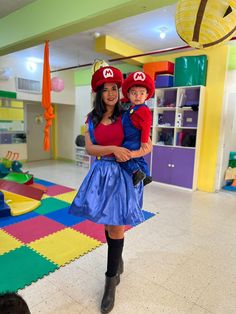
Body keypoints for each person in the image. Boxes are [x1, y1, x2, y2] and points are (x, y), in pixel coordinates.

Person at [69, 66, 152, 314]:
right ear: (99, 93)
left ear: (119, 89)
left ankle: (110, 281)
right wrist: (113, 150)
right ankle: (118, 260)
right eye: (105, 89)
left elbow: (147, 145)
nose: (111, 93)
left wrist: (130, 154)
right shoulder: (91, 118)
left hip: (124, 176)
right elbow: (91, 148)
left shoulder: (130, 113)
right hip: (101, 174)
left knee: (117, 225)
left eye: (114, 88)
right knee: (107, 224)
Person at [120, 71, 155, 186]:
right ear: (129, 94)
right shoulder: (133, 108)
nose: (138, 96)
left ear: (146, 95)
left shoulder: (143, 109)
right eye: (134, 93)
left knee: (122, 157)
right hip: (132, 139)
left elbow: (146, 126)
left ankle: (136, 172)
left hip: (133, 140)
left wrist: (144, 140)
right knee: (139, 158)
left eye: (141, 93)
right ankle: (147, 175)